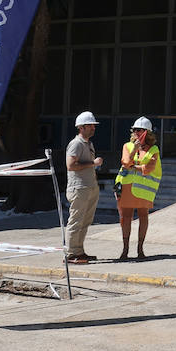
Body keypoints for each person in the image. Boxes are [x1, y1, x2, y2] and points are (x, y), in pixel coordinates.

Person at [115, 116, 161, 261]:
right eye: (134, 130)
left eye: (139, 130)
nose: (136, 133)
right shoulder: (127, 146)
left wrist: (134, 167)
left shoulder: (154, 149)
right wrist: (134, 149)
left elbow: (149, 168)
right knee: (125, 217)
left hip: (143, 189)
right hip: (127, 186)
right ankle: (125, 250)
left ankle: (140, 249)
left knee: (143, 216)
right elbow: (125, 162)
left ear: (147, 132)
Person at [64, 111, 103, 264]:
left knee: (85, 221)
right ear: (81, 127)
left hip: (89, 187)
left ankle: (79, 251)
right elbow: (70, 165)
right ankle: (71, 253)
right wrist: (93, 164)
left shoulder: (88, 143)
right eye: (90, 125)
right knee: (76, 220)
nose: (93, 127)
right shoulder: (76, 144)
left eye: (93, 125)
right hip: (79, 188)